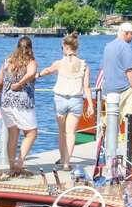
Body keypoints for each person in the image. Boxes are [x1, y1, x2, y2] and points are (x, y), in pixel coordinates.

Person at [39, 33, 94, 171]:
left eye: (62, 47)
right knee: (71, 133)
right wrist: (90, 105)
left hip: (60, 99)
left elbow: (48, 71)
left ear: (65, 46)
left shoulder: (59, 63)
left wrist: (37, 75)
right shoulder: (84, 65)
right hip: (76, 100)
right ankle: (66, 163)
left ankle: (63, 158)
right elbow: (87, 87)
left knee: (61, 132)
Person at [0, 36, 38, 176]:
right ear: (30, 48)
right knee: (31, 133)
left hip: (6, 102)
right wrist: (20, 84)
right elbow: (31, 73)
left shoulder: (7, 61)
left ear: (17, 47)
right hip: (22, 103)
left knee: (13, 134)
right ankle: (19, 163)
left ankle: (12, 167)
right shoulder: (31, 61)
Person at [100, 22, 132, 154]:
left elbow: (104, 67)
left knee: (110, 120)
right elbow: (129, 69)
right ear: (126, 33)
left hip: (108, 88)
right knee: (130, 117)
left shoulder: (108, 46)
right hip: (124, 87)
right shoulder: (125, 47)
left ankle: (107, 146)